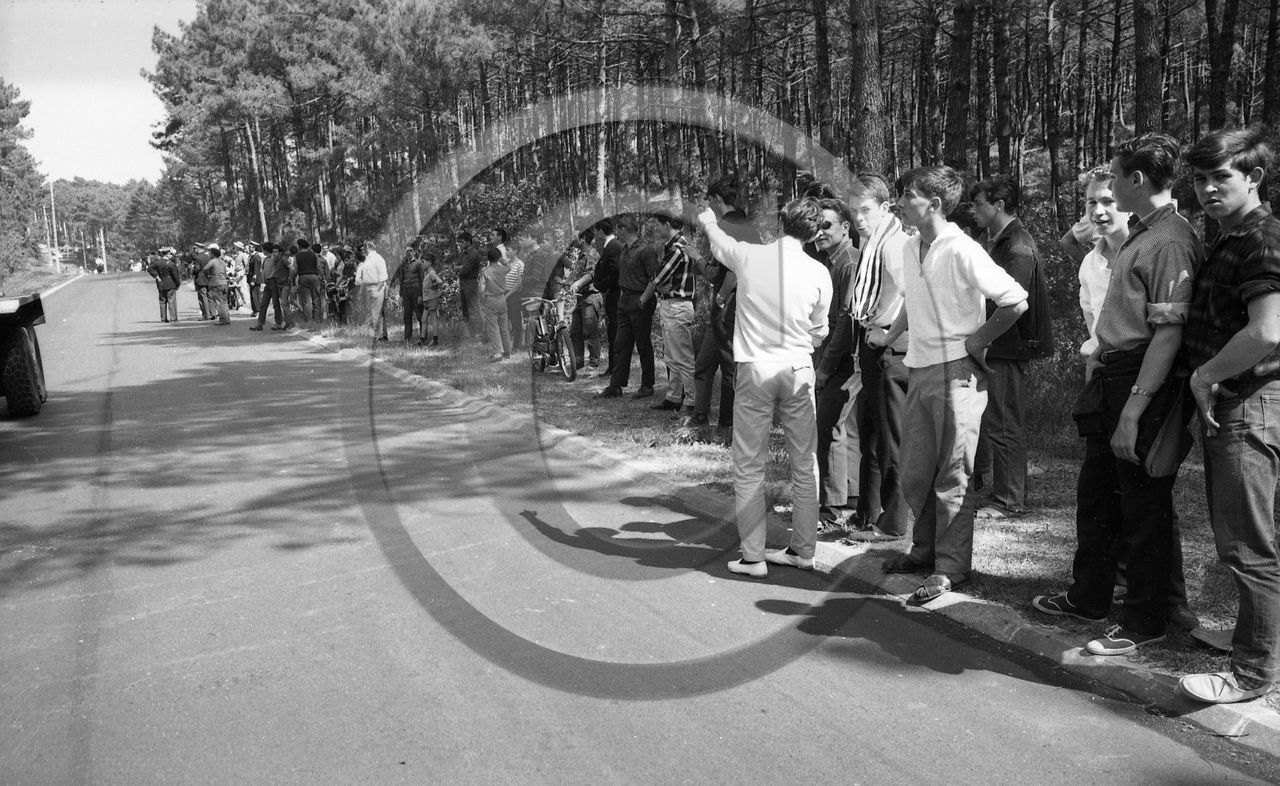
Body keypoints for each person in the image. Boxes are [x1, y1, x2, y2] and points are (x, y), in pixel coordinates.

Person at [1031, 133, 1201, 656]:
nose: (1104, 199)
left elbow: (1169, 333)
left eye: (1114, 179)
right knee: (1099, 491)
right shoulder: (1140, 233)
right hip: (1111, 373)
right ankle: (1090, 597)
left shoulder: (1169, 239)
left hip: (1142, 376)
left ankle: (1146, 619)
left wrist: (1135, 406)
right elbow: (1080, 244)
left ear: (1136, 180)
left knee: (1143, 502)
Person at [869, 165, 1028, 605]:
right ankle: (923, 551)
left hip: (958, 372)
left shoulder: (961, 248)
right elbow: (911, 298)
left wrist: (977, 341)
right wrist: (892, 332)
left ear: (934, 204)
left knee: (952, 472)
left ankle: (950, 568)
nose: (899, 202)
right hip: (919, 369)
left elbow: (1015, 299)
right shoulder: (909, 247)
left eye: (907, 195)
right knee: (917, 471)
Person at [1180, 127, 1280, 704]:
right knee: (1248, 539)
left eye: (1222, 177)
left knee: (1247, 545)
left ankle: (1250, 674)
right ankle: (1254, 640)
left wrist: (1203, 375)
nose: (1209, 188)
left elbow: (1266, 330)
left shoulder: (1260, 237)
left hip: (1248, 403)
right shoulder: (1231, 235)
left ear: (1254, 179)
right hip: (1244, 402)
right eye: (1201, 178)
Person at [697, 197, 832, 578]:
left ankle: (753, 556)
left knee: (749, 463)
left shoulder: (751, 257)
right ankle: (804, 550)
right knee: (805, 461)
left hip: (756, 367)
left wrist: (709, 219)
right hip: (798, 366)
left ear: (780, 223)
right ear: (815, 232)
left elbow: (720, 245)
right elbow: (820, 327)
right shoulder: (818, 271)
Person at [970, 174, 1054, 520]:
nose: (973, 211)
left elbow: (1013, 302)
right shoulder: (1001, 240)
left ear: (999, 206)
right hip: (997, 344)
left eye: (979, 204)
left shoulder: (1016, 244)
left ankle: (1008, 500)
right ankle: (997, 491)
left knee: (1005, 423)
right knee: (995, 421)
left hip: (1008, 346)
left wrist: (983, 338)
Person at [843, 174, 911, 543]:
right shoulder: (872, 245)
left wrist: (889, 333)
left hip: (890, 348)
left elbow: (912, 295)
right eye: (854, 211)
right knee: (869, 432)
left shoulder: (893, 245)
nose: (859, 218)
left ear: (885, 208)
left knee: (891, 438)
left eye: (866, 210)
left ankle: (894, 522)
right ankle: (868, 512)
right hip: (871, 346)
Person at [689, 178, 760, 431]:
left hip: (731, 306)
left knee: (730, 365)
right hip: (726, 306)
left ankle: (728, 425)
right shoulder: (746, 224)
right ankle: (700, 414)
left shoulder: (728, 226)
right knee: (705, 363)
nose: (709, 206)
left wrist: (721, 293)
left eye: (709, 200)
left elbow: (734, 267)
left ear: (717, 199)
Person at [811, 197, 860, 525]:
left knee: (829, 427)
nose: (819, 232)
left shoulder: (848, 262)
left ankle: (834, 507)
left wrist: (826, 367)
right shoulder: (830, 260)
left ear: (845, 227)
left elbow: (846, 319)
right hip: (831, 355)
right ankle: (848, 498)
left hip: (842, 359)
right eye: (816, 226)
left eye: (826, 225)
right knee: (840, 427)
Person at [596, 215, 660, 399]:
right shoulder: (624, 249)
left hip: (640, 301)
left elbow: (654, 277)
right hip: (624, 301)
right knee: (620, 344)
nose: (616, 233)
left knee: (642, 344)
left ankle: (647, 386)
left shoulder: (645, 250)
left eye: (618, 230)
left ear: (624, 230)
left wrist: (643, 299)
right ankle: (616, 386)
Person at [644, 214, 698, 412]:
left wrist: (646, 295)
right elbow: (662, 281)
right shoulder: (676, 245)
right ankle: (674, 397)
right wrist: (659, 288)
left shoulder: (677, 248)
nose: (656, 229)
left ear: (667, 225)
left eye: (657, 225)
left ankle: (691, 401)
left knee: (682, 356)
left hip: (677, 306)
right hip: (672, 304)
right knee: (672, 356)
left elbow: (658, 276)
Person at [592, 220, 623, 377]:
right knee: (612, 331)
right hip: (611, 295)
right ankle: (612, 367)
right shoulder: (610, 247)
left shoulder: (613, 247)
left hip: (615, 295)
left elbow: (615, 272)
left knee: (615, 331)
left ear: (601, 232)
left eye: (597, 231)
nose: (595, 235)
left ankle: (615, 368)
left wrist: (600, 285)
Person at [480, 246, 512, 360]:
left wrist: (482, 300)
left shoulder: (485, 271)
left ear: (488, 258)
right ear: (498, 258)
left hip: (491, 299)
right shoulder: (503, 270)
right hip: (502, 299)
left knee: (493, 327)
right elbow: (509, 266)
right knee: (504, 326)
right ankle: (507, 351)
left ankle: (497, 352)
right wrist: (502, 260)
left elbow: (481, 289)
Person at [356, 241, 390, 341]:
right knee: (373, 313)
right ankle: (379, 335)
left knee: (376, 313)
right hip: (368, 287)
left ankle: (378, 336)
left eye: (364, 248)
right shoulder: (368, 259)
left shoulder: (378, 259)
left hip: (377, 287)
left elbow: (383, 277)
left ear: (368, 247)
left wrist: (377, 290)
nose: (362, 251)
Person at [394, 244, 428, 342]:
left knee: (419, 315)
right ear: (405, 253)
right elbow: (401, 280)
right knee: (407, 316)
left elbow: (422, 279)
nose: (409, 252)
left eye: (410, 250)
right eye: (407, 251)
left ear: (414, 252)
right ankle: (407, 338)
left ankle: (423, 337)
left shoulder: (418, 264)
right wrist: (400, 295)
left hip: (416, 291)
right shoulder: (402, 265)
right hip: (406, 292)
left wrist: (421, 295)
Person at [452, 232, 483, 336]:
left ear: (468, 242)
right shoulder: (463, 253)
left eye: (462, 242)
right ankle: (471, 334)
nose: (460, 244)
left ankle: (479, 333)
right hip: (463, 283)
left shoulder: (474, 253)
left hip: (471, 283)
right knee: (465, 310)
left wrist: (460, 268)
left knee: (473, 309)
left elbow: (465, 269)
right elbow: (455, 268)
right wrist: (460, 268)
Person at [293, 239, 326, 328]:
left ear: (299, 246)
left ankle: (309, 321)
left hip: (303, 277)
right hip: (314, 277)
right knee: (316, 299)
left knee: (307, 301)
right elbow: (319, 267)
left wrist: (293, 278)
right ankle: (317, 321)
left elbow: (295, 269)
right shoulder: (313, 255)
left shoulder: (297, 256)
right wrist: (322, 278)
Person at [202, 244, 232, 325]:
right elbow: (225, 273)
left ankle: (223, 319)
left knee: (218, 302)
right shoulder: (222, 262)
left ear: (212, 254)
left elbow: (205, 269)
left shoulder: (212, 261)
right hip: (224, 282)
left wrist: (208, 276)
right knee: (224, 301)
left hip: (216, 282)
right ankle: (227, 317)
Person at [420, 253, 444, 346]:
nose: (422, 264)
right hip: (426, 300)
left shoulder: (432, 272)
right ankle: (422, 339)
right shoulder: (426, 273)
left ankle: (435, 339)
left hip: (432, 299)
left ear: (429, 262)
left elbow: (439, 281)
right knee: (424, 319)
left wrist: (432, 286)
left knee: (433, 318)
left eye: (423, 262)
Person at [153, 251, 182, 322]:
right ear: (167, 254)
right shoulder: (171, 264)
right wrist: (177, 284)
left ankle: (163, 318)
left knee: (162, 302)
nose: (172, 255)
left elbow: (150, 269)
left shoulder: (157, 262)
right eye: (170, 254)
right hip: (170, 284)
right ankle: (173, 318)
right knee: (171, 301)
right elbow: (176, 276)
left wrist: (156, 276)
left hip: (161, 284)